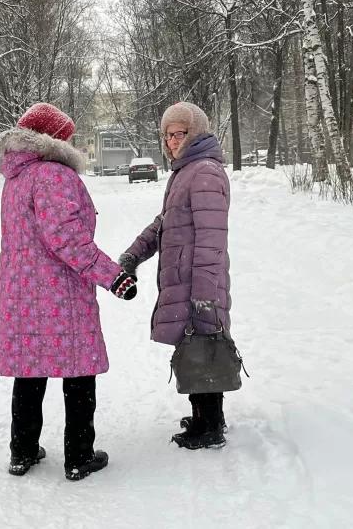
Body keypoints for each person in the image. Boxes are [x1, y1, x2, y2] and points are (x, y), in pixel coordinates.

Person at [0, 102, 137, 481]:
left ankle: (22, 452)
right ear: (55, 140)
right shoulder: (54, 176)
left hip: (18, 294)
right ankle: (79, 455)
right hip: (60, 294)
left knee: (29, 371)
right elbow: (68, 240)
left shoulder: (15, 179)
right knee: (78, 373)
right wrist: (113, 276)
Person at [118, 101, 232, 450]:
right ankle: (206, 416)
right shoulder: (186, 171)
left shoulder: (205, 172)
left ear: (194, 132)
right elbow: (164, 223)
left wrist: (204, 293)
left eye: (179, 133)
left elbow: (212, 239)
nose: (171, 140)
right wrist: (133, 254)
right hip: (186, 277)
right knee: (194, 344)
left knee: (204, 342)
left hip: (200, 279)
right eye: (167, 134)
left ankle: (210, 427)